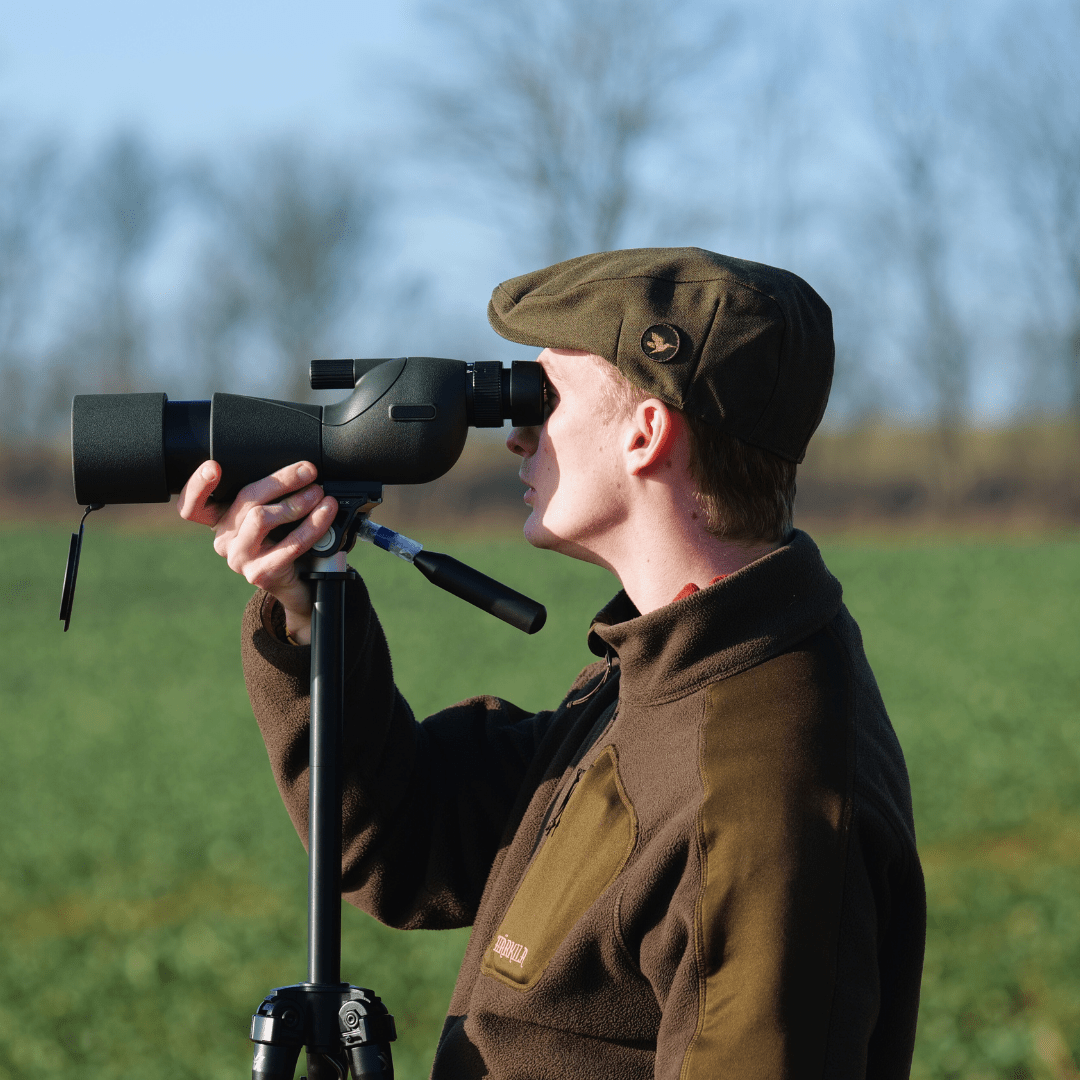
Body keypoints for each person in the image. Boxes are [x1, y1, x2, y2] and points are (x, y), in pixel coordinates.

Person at [178, 248, 925, 1078]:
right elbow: (403, 839)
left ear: (646, 434)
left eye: (544, 398)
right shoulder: (668, 674)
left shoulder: (760, 785)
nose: (517, 437)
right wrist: (305, 605)